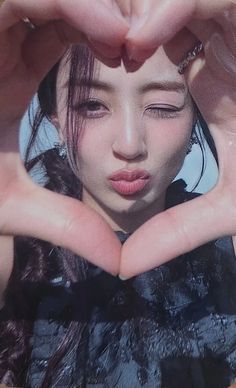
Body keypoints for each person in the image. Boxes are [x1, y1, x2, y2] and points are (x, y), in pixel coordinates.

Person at [0, 0, 236, 387]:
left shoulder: (227, 251)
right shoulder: (17, 254)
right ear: (56, 117)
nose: (129, 144)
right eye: (92, 105)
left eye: (162, 106)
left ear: (197, 114)